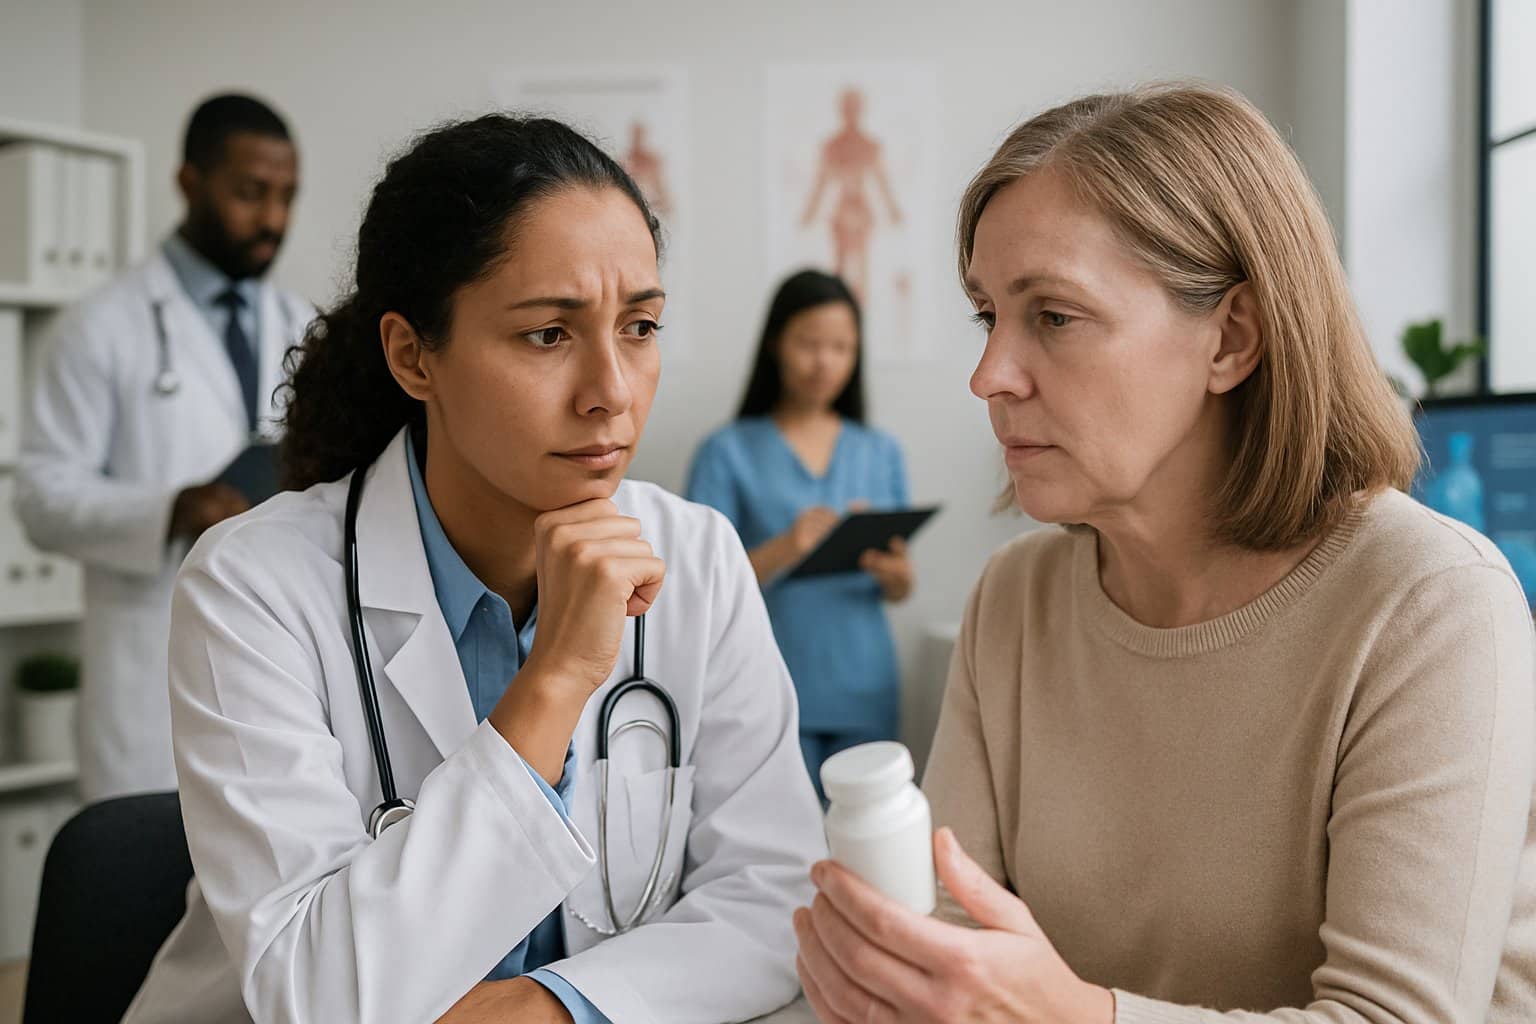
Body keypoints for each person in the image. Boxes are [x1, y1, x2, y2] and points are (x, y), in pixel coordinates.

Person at [793, 84, 1536, 1024]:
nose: (988, 376)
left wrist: (1074, 1016)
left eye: (1053, 317)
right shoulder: (1015, 600)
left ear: (1232, 338)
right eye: (989, 316)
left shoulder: (1432, 605)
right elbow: (944, 942)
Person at [123, 114, 823, 1024]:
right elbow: (317, 996)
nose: (611, 389)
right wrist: (559, 675)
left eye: (640, 325)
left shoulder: (697, 556)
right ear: (414, 355)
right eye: (548, 336)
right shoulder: (253, 587)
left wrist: (553, 1007)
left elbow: (777, 898)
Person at [14, 93, 312, 801]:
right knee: (138, 885)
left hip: (278, 664)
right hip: (147, 672)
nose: (272, 219)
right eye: (250, 193)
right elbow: (41, 499)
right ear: (189, 183)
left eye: (286, 197)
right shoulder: (101, 326)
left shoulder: (302, 324)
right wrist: (172, 508)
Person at [685, 270, 912, 797]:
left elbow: (900, 588)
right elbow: (701, 587)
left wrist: (896, 574)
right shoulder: (726, 451)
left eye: (841, 347)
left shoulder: (881, 450)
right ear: (775, 344)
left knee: (866, 847)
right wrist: (791, 545)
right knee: (786, 856)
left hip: (865, 682)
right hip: (767, 684)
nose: (824, 362)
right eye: (809, 344)